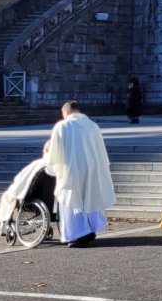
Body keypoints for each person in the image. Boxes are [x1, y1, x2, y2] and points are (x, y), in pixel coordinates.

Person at [46, 101, 116, 248]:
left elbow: (55, 152)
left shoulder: (62, 126)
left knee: (72, 201)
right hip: (93, 168)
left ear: (65, 112)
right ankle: (91, 228)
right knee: (91, 197)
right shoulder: (93, 126)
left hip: (73, 169)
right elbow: (100, 150)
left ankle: (79, 233)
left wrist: (50, 166)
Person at [0, 141, 53, 238]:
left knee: (7, 196)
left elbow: (20, 180)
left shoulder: (40, 164)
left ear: (46, 151)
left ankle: (6, 224)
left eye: (44, 149)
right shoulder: (59, 166)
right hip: (52, 201)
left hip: (34, 196)